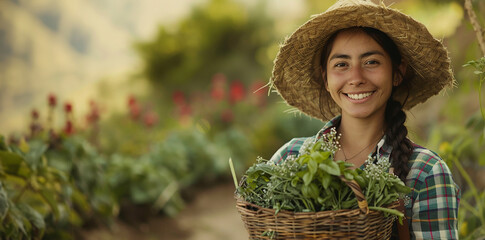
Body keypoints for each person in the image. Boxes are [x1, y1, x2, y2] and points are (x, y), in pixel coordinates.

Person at [268, 0, 460, 239]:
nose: (356, 77)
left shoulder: (425, 172)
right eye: (341, 64)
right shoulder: (290, 158)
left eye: (371, 62)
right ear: (325, 78)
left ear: (397, 73)